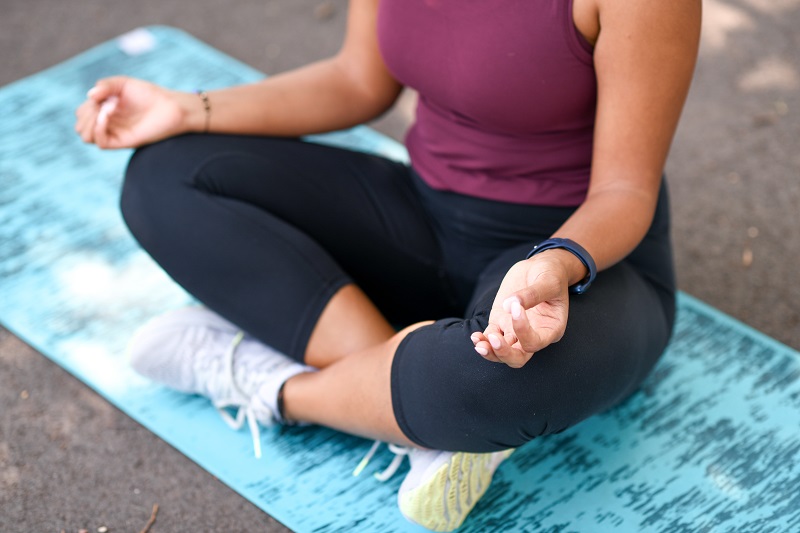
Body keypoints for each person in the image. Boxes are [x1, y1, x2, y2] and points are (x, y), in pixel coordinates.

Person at [75, 0, 701, 530]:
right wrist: (186, 110)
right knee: (164, 175)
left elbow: (624, 192)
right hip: (422, 217)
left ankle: (273, 384)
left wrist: (555, 264)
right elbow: (357, 81)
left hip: (572, 259)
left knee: (498, 383)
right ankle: (406, 408)